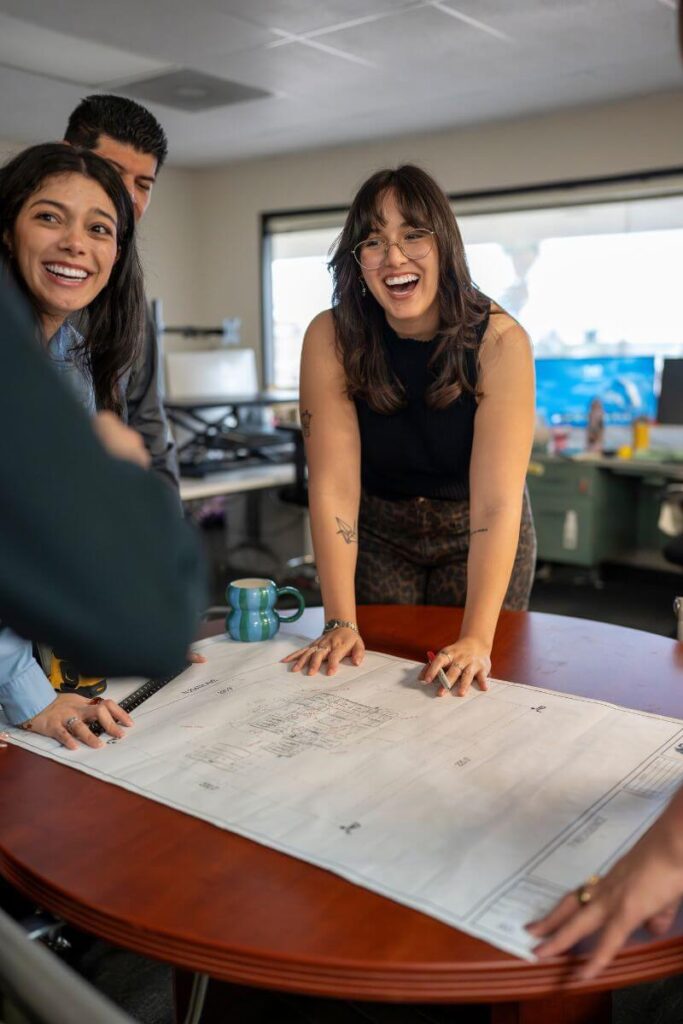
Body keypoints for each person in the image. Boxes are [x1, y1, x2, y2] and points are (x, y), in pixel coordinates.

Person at [285, 165, 536, 695]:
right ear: (358, 260)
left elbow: (496, 504)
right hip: (380, 530)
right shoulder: (332, 336)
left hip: (475, 526)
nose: (395, 258)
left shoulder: (499, 341)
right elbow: (334, 486)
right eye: (374, 242)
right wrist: (338, 620)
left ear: (444, 244)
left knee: (470, 680)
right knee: (370, 678)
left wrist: (476, 638)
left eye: (413, 235)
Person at [0, 143, 201, 748]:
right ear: (7, 231)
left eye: (98, 228)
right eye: (49, 217)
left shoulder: (72, 356)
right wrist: (28, 694)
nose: (75, 244)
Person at [64, 93, 179, 489]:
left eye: (143, 184)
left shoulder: (129, 299)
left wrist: (165, 520)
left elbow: (149, 428)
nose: (127, 196)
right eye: (111, 171)